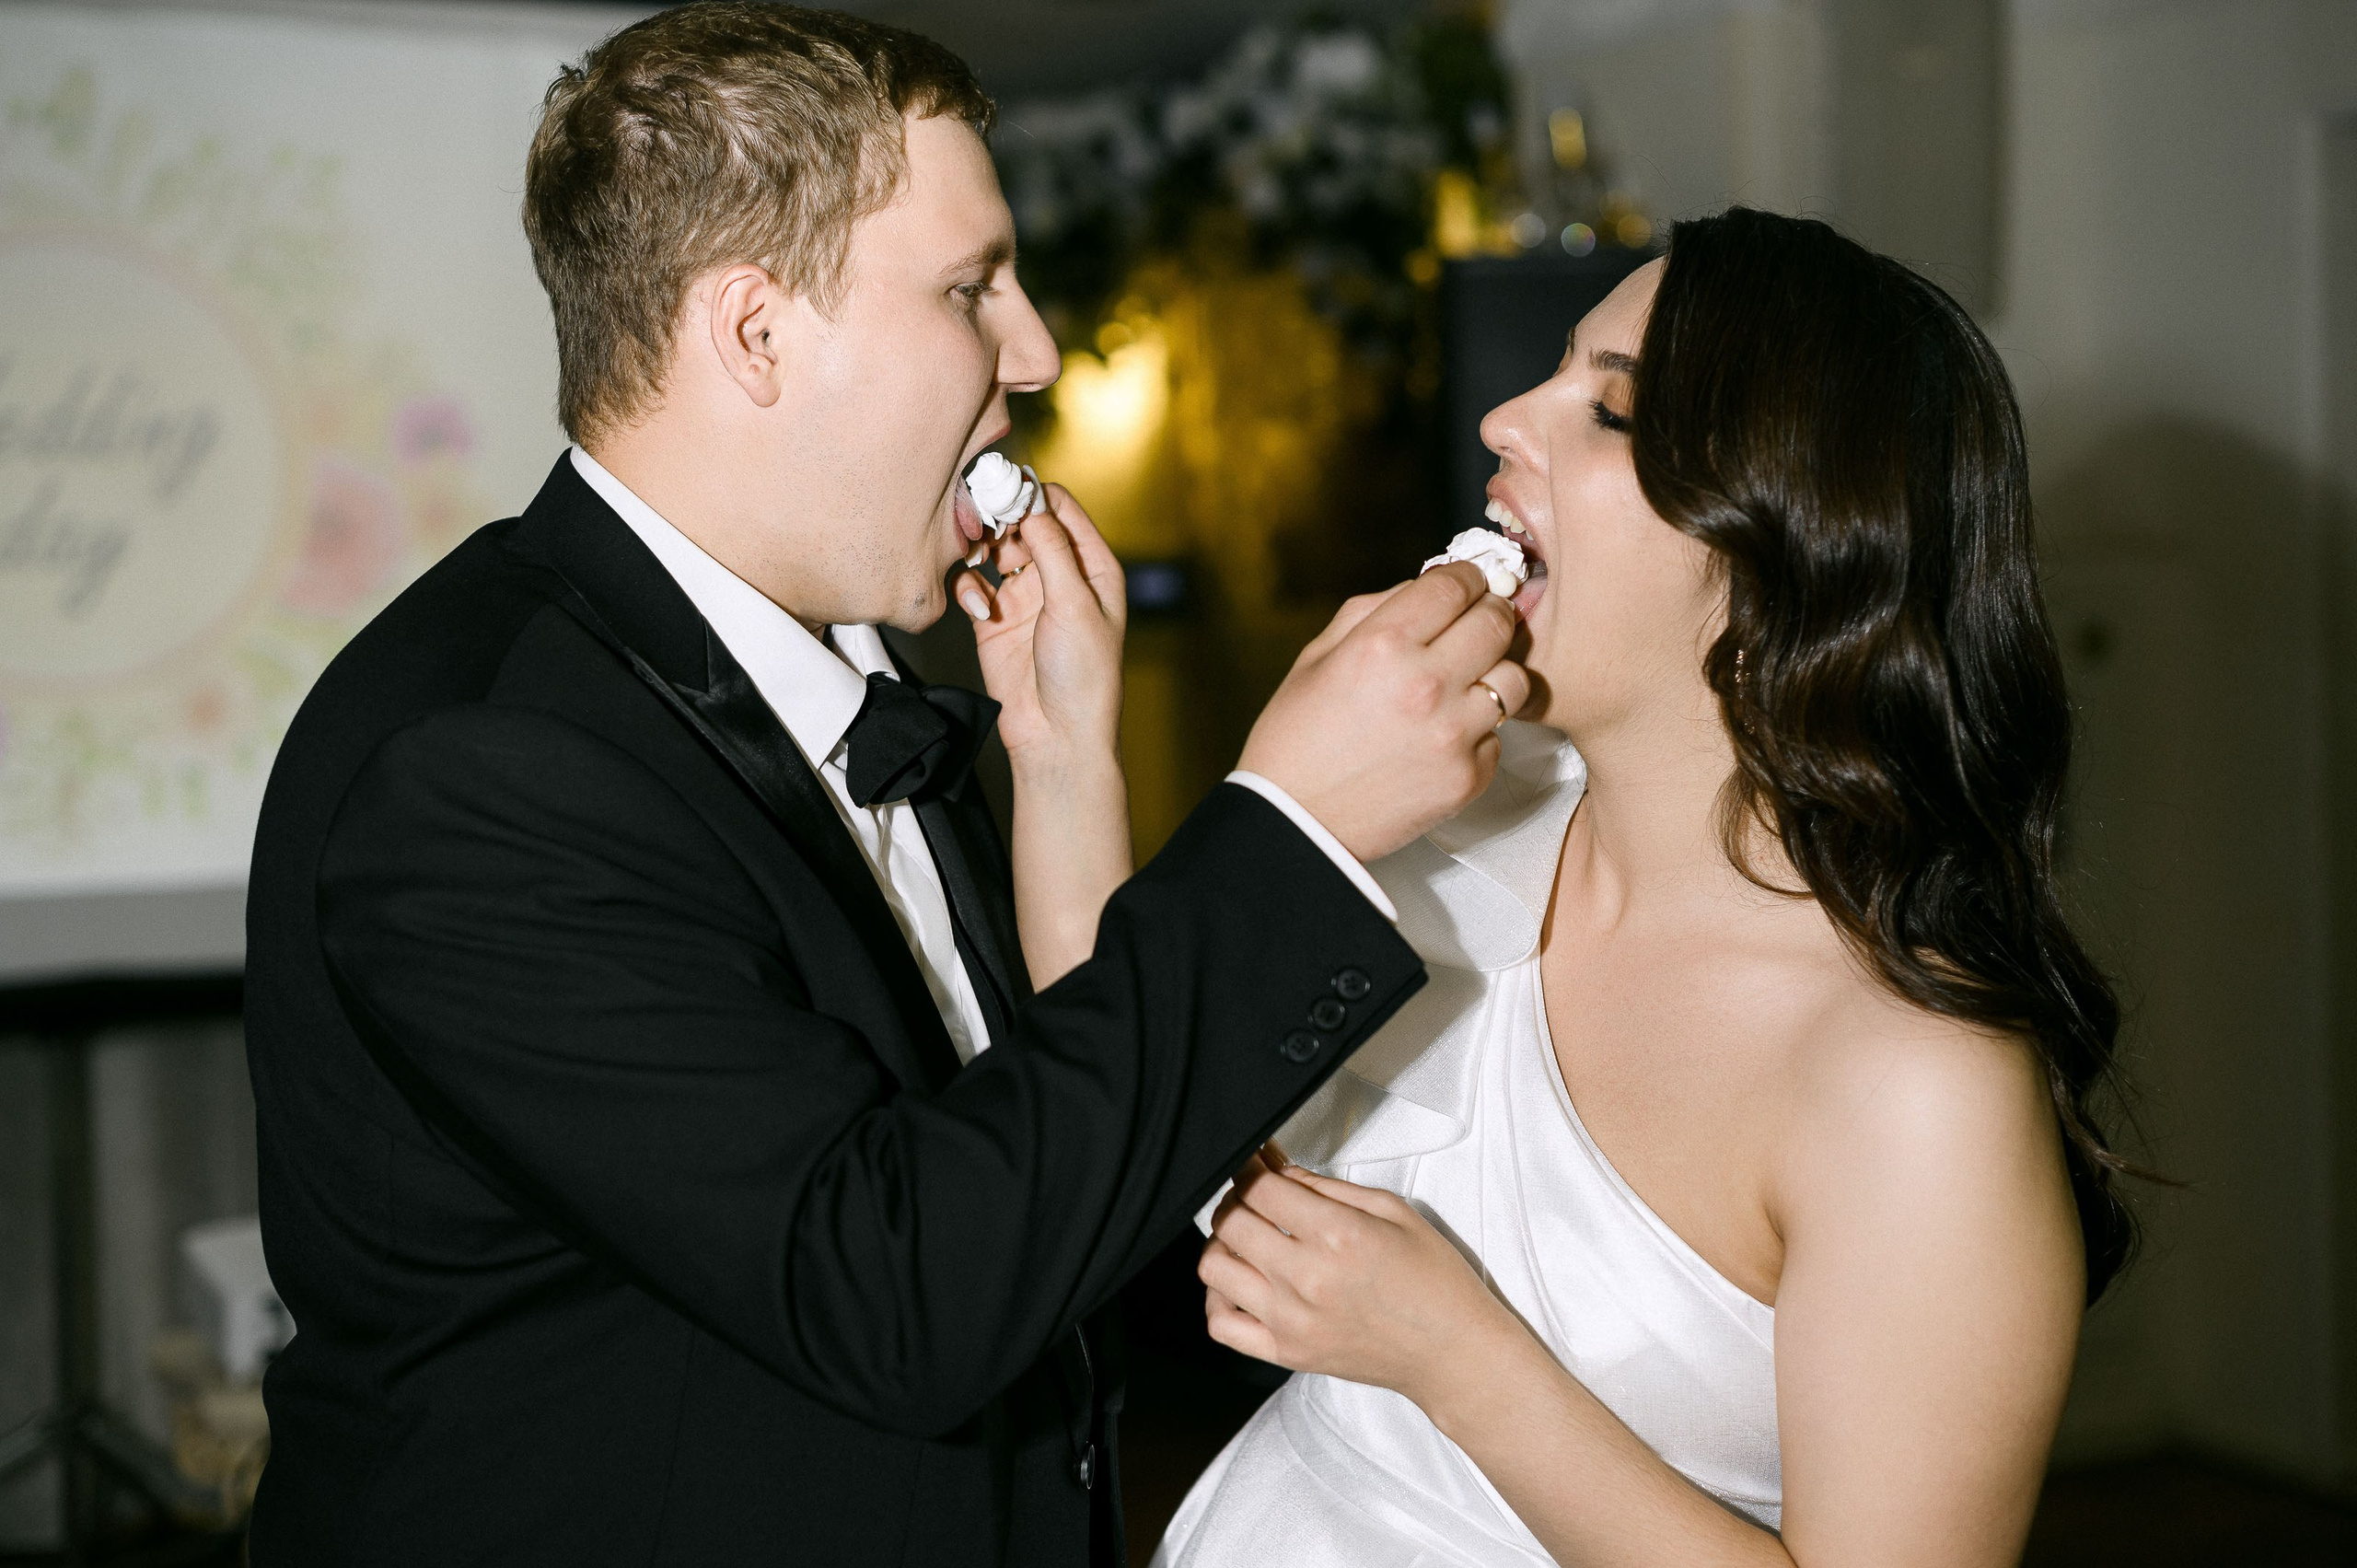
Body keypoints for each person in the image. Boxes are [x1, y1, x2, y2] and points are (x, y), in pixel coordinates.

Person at [240, 7, 1527, 1566]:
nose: (1037, 353)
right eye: (974, 289)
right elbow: (899, 1291)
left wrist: (1059, 770)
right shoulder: (482, 764)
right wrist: (1294, 829)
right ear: (756, 333)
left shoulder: (883, 693)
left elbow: (1048, 1200)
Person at [1156, 208, 2135, 1568]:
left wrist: (1459, 1360)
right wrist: (1064, 731)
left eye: (1609, 415)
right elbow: (1144, 1106)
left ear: (1786, 551)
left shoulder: (1914, 1083)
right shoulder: (1467, 819)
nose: (1504, 418)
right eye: (1555, 372)